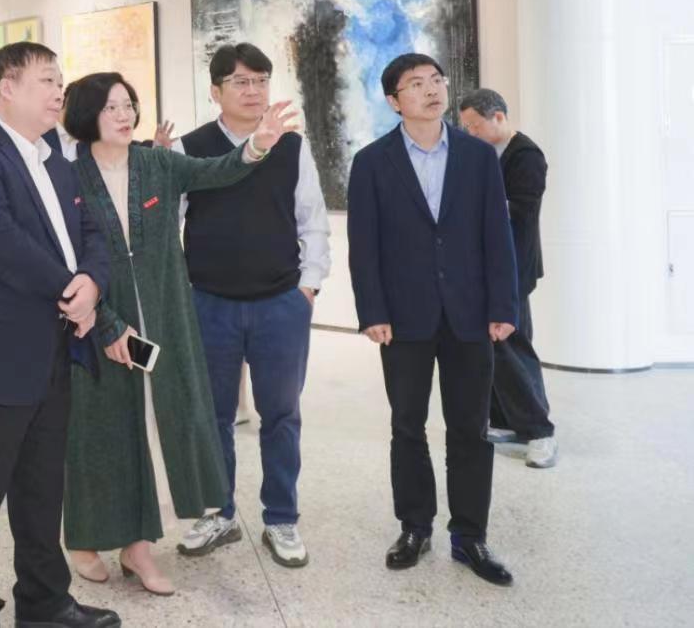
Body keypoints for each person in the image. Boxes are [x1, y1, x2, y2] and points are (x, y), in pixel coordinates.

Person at [59, 72, 296, 596]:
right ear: (86, 114)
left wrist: (257, 144)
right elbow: (67, 259)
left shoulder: (157, 164)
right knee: (98, 438)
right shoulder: (67, 177)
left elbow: (219, 170)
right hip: (96, 327)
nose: (124, 115)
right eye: (111, 107)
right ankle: (84, 538)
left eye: (128, 104)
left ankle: (138, 547)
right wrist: (107, 324)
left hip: (163, 323)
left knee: (148, 432)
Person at [0, 42, 119, 628]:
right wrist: (70, 289)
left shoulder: (55, 158)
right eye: (47, 80)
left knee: (41, 492)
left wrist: (92, 282)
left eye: (60, 80)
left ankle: (43, 603)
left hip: (51, 352)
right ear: (6, 88)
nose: (60, 91)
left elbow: (93, 230)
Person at [347, 53, 519, 587]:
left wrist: (503, 306)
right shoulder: (372, 162)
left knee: (470, 428)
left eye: (437, 80)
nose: (431, 90)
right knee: (408, 425)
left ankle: (469, 536)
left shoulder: (478, 156)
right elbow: (364, 245)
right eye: (416, 83)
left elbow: (497, 236)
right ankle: (414, 528)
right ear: (394, 100)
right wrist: (372, 311)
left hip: (470, 313)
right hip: (403, 317)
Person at [170, 43, 330, 568]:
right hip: (209, 303)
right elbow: (170, 225)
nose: (253, 90)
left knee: (281, 415)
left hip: (279, 303)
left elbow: (312, 220)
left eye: (261, 80)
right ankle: (218, 513)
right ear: (216, 91)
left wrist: (308, 288)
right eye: (240, 81)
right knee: (212, 416)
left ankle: (281, 517)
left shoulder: (292, 146)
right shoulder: (192, 147)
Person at [458, 89, 556, 468]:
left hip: (514, 265)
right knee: (507, 343)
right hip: (491, 266)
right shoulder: (486, 154)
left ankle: (539, 431)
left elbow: (522, 208)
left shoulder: (526, 155)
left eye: (474, 126)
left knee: (508, 344)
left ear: (497, 117)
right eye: (466, 127)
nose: (470, 133)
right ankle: (511, 422)